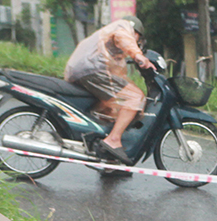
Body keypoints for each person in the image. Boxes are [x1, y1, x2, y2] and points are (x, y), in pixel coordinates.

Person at [63, 16, 157, 162]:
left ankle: (109, 159)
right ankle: (113, 139)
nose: (137, 41)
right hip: (93, 70)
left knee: (112, 110)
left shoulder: (109, 39)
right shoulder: (123, 28)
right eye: (138, 38)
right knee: (135, 97)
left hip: (84, 70)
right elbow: (124, 38)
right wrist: (139, 56)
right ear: (135, 32)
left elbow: (117, 71)